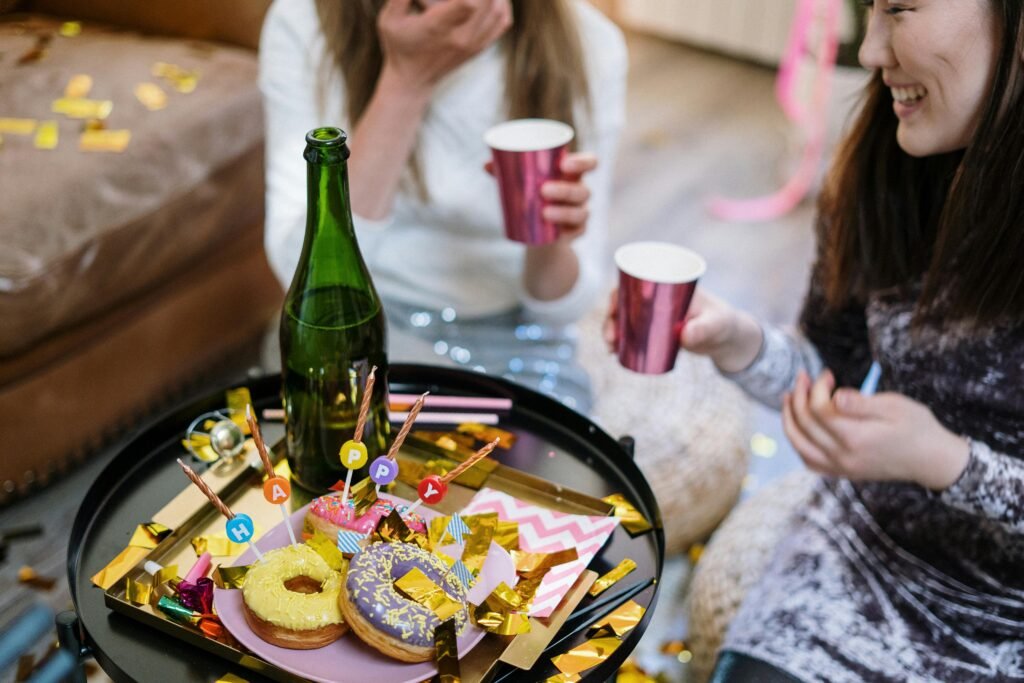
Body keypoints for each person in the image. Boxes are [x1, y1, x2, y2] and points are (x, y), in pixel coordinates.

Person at [606, 1, 1024, 680]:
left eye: (898, 9)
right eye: (869, 13)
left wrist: (944, 460)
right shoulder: (884, 167)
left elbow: (938, 456)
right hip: (858, 560)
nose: (870, 51)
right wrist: (736, 341)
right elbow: (825, 369)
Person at [259, 0, 627, 413]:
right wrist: (405, 81)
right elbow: (300, 267)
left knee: (546, 451)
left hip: (514, 337)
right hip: (362, 320)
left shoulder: (589, 44)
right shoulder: (303, 22)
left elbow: (564, 307)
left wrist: (549, 238)